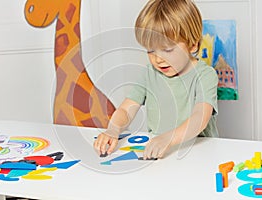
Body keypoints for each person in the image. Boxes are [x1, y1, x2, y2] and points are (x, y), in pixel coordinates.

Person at [93, 0, 218, 159]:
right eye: (151, 51)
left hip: (199, 153)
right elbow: (126, 109)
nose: (158, 59)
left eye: (167, 50)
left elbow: (199, 118)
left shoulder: (205, 75)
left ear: (192, 45)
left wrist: (169, 138)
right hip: (159, 151)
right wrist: (113, 130)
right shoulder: (148, 74)